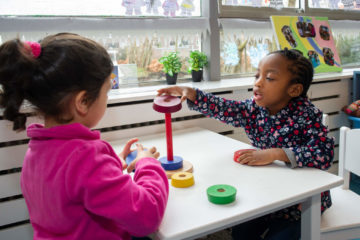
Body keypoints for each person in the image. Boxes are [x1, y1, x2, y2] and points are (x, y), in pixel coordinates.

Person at [0, 33, 169, 240]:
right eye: (106, 92)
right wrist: (148, 164)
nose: (106, 99)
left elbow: (71, 187)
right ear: (82, 101)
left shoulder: (36, 151)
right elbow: (147, 216)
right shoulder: (85, 157)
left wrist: (113, 162)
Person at [157, 48, 334, 239]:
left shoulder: (308, 115)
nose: (257, 83)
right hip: (267, 195)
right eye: (257, 75)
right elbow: (226, 109)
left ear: (294, 89)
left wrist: (275, 154)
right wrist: (192, 94)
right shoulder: (254, 109)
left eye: (269, 78)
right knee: (241, 233)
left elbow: (324, 153)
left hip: (302, 204)